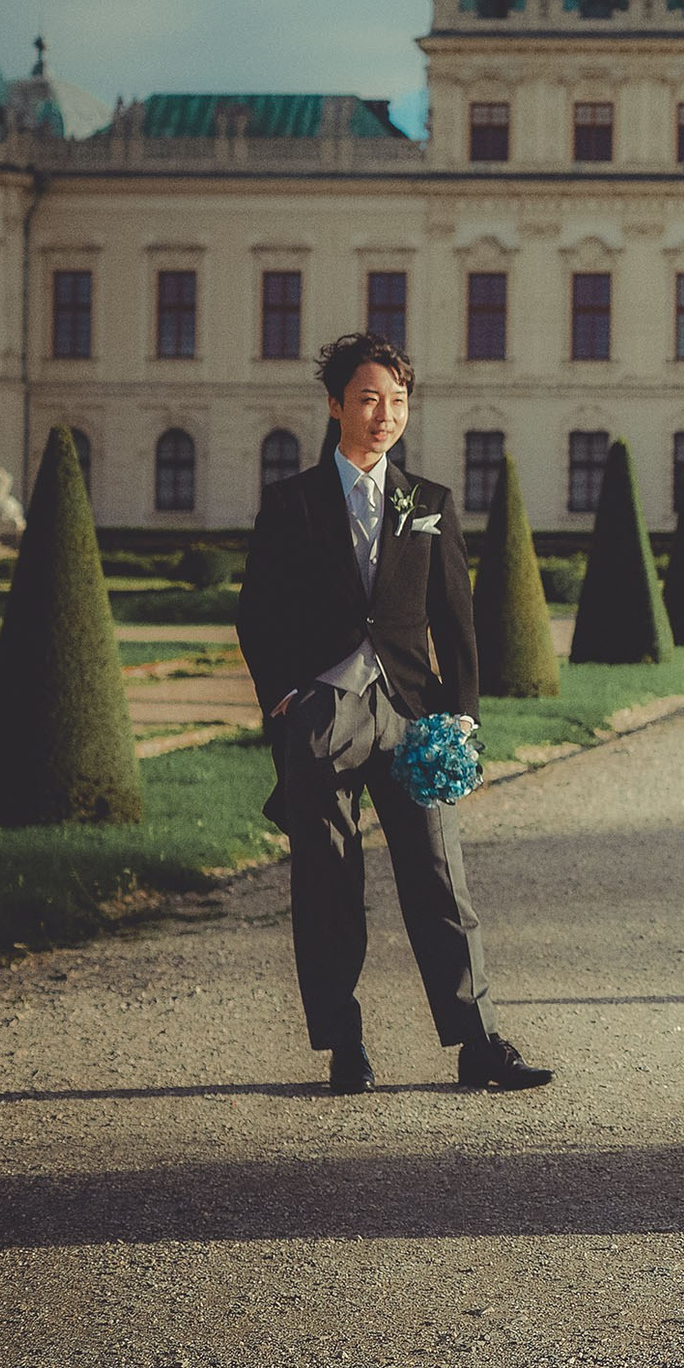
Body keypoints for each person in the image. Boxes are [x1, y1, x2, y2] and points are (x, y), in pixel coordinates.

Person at [236, 333, 551, 1096]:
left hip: (412, 712)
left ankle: (477, 1045)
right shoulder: (292, 504)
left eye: (399, 401)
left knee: (441, 880)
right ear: (337, 404)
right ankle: (345, 1046)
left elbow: (456, 619)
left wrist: (464, 719)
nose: (385, 416)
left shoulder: (430, 504)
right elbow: (257, 613)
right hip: (323, 712)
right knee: (327, 882)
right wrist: (285, 700)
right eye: (371, 399)